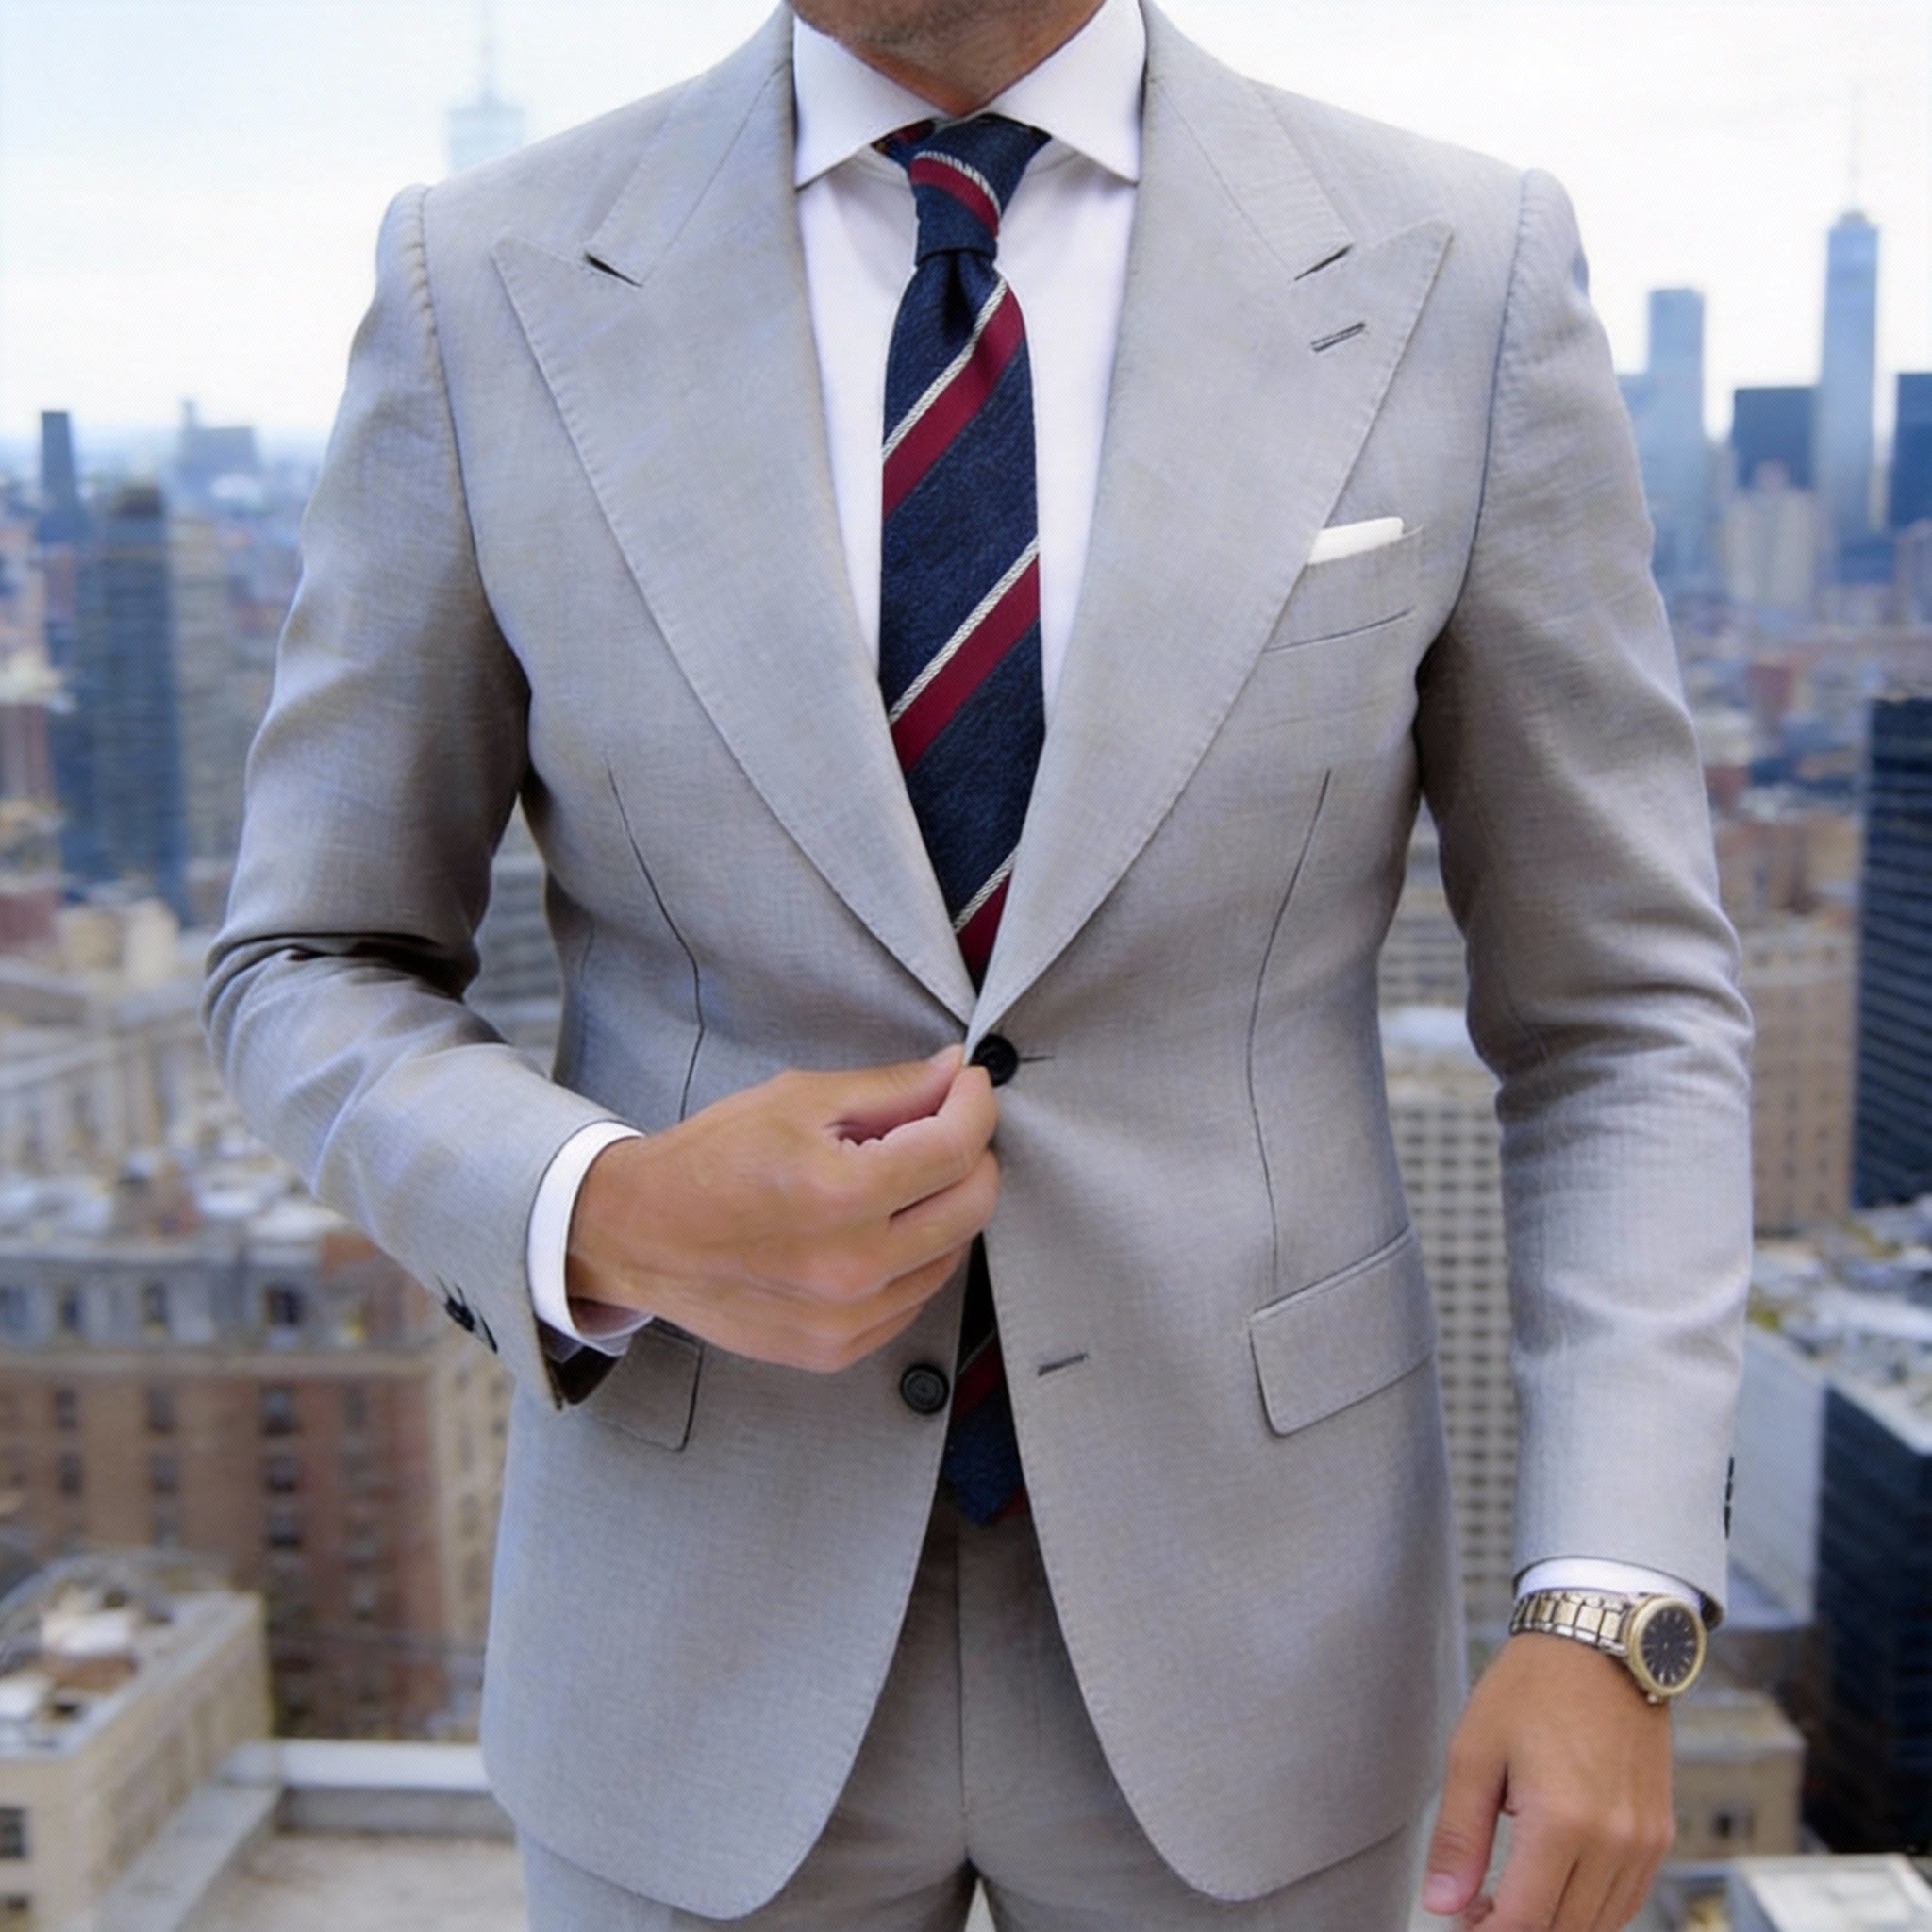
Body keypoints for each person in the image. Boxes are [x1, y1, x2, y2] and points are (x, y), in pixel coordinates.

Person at [203, 1, 1754, 1927]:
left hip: (1269, 1645)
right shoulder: (479, 281)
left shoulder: (1459, 264)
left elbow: (1624, 1016)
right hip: (692, 1636)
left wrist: (1606, 1602)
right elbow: (305, 955)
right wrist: (605, 1210)